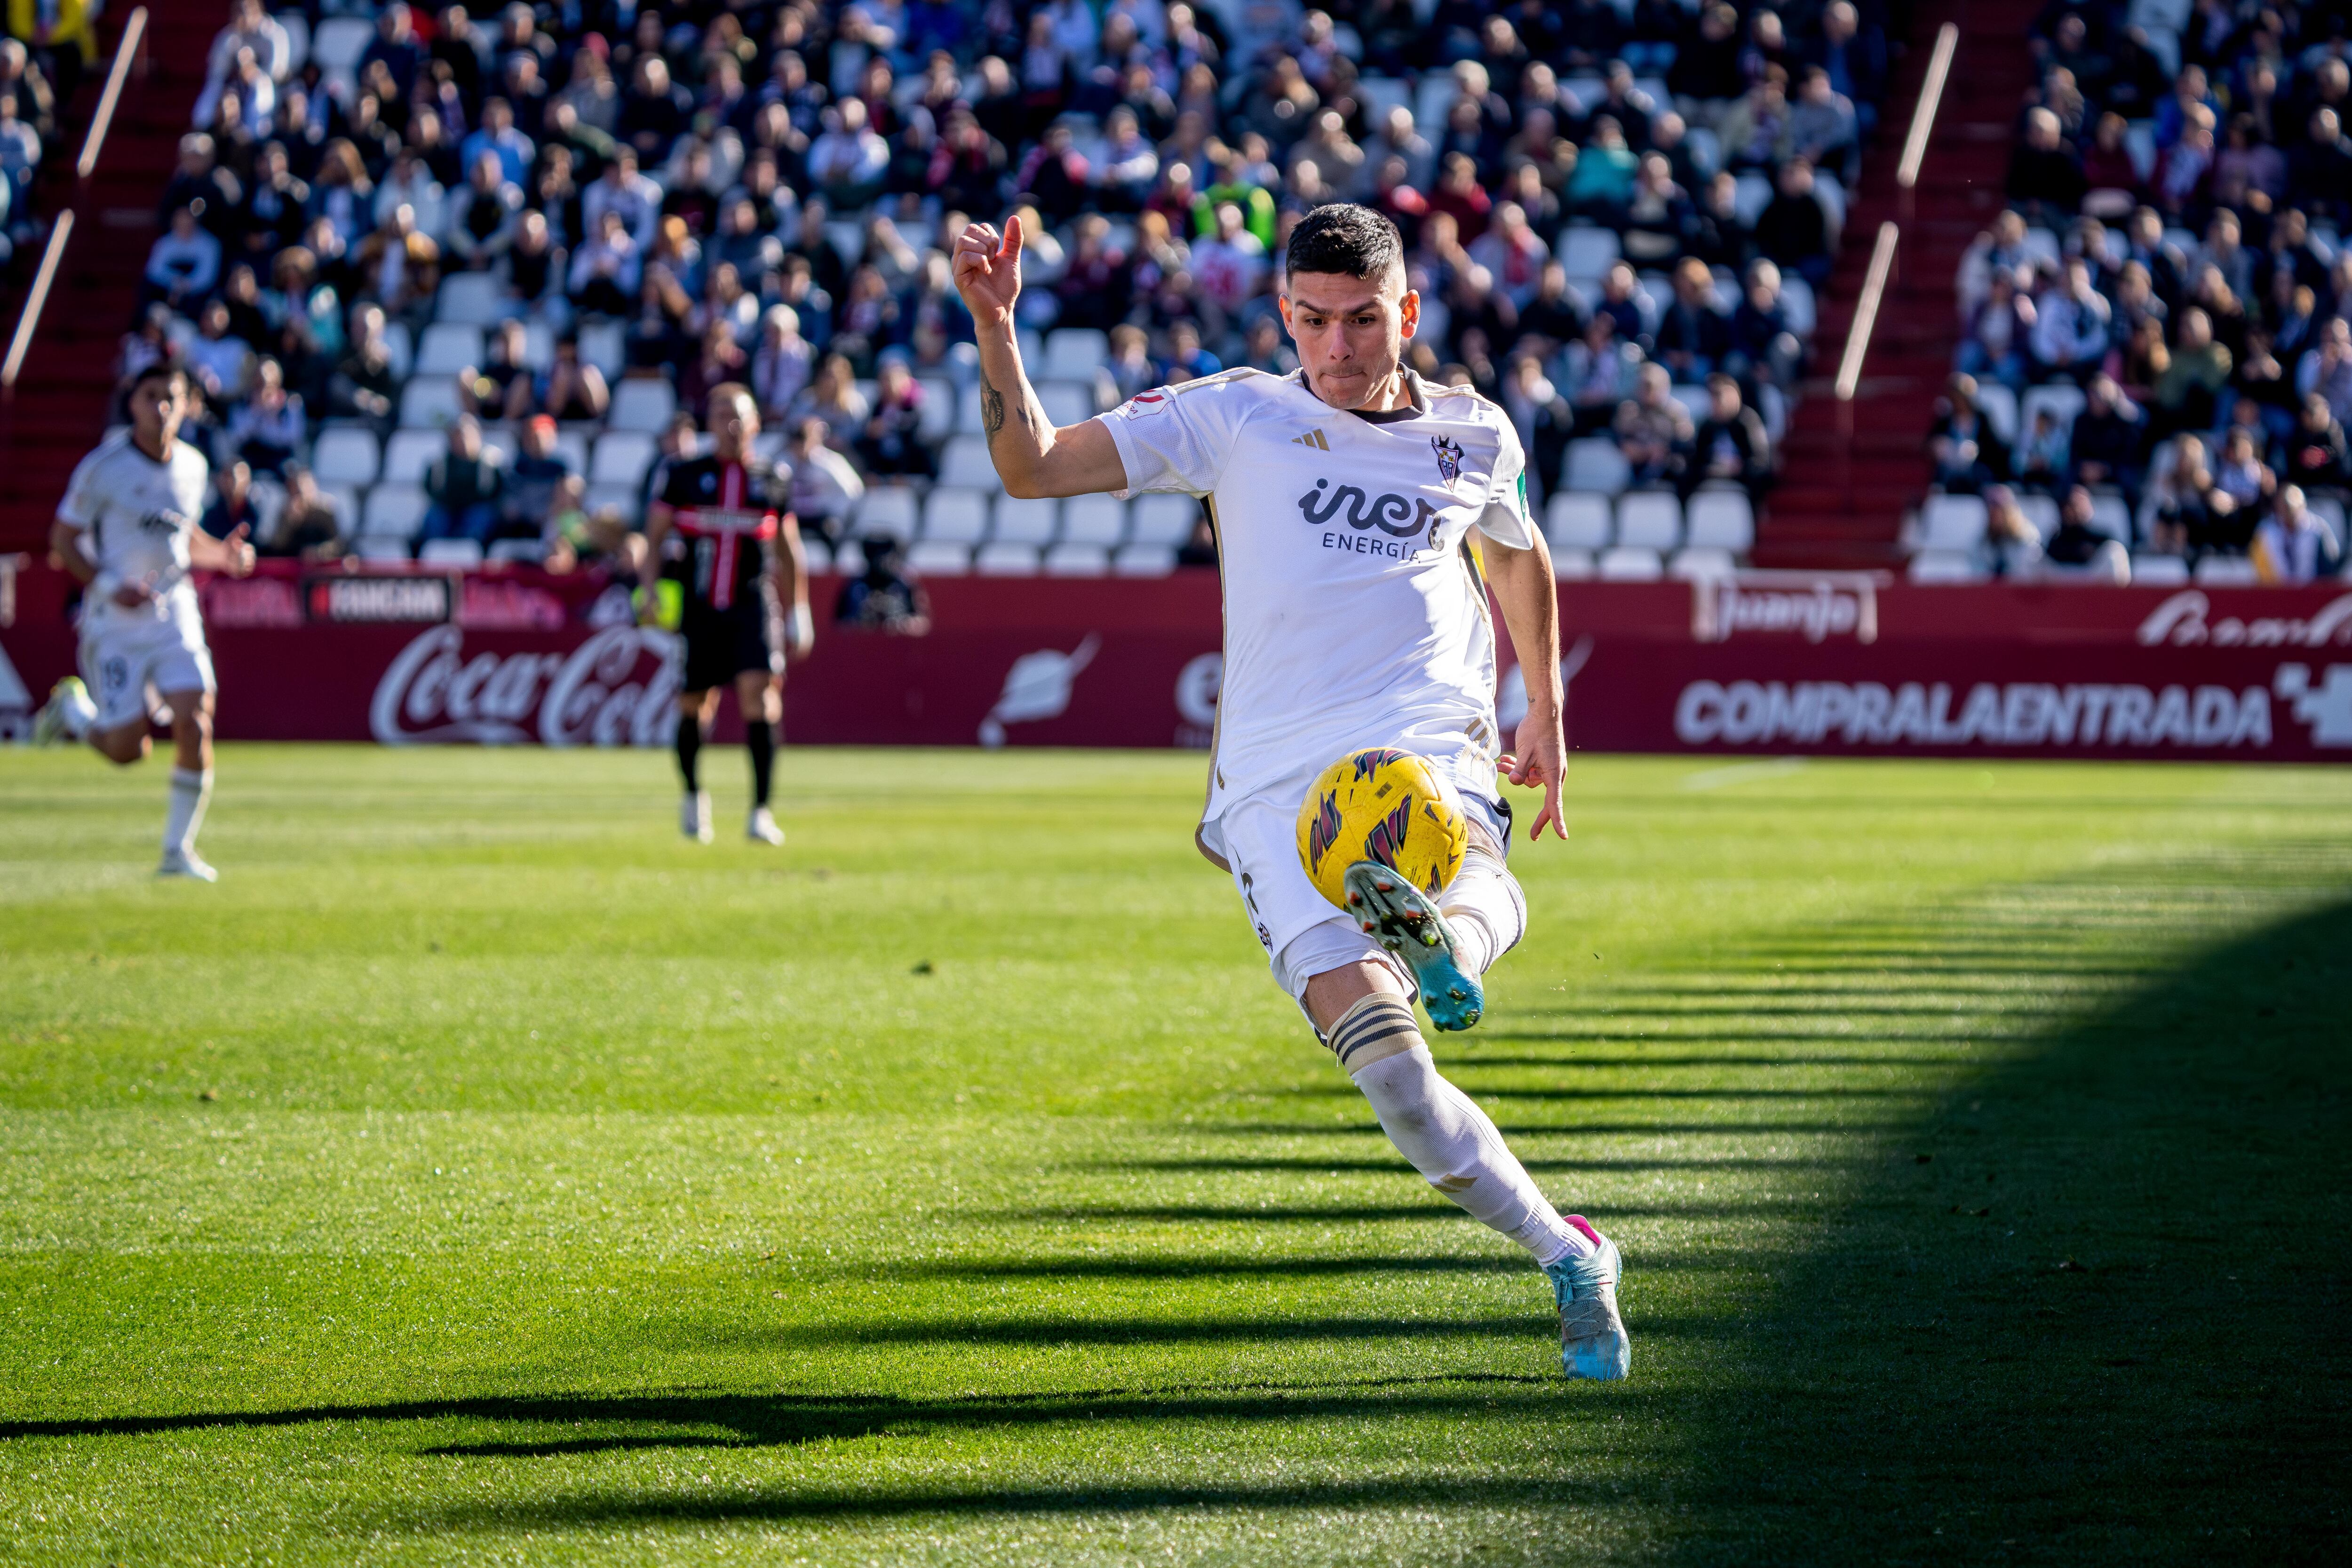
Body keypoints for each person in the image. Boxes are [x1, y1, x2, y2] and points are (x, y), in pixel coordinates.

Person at [950, 200, 1629, 1381]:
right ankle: (1567, 1251)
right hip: (1276, 786)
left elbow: (1514, 549)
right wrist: (997, 329)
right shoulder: (1235, 417)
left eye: (1363, 321)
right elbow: (1029, 468)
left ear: (1406, 313)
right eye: (1312, 322)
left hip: (1426, 737)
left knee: (1464, 870)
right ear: (1283, 317)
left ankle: (1452, 952)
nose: (1337, 348)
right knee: (1398, 1078)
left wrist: (1546, 708)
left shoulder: (1474, 435)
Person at [30, 362, 256, 880]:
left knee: (196, 717)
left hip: (174, 611)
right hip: (115, 623)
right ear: (132, 403)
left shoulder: (195, 466)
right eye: (150, 396)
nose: (161, 408)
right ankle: (74, 712)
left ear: (186, 405)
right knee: (126, 751)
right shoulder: (104, 468)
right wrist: (112, 586)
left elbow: (183, 536)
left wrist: (224, 558)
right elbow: (62, 540)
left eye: (170, 397)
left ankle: (178, 852)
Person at [644, 384, 815, 847]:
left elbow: (789, 549)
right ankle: (693, 796)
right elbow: (655, 536)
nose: (731, 424)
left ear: (756, 423)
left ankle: (760, 811)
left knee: (759, 696)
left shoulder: (771, 479)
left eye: (739, 415)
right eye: (721, 415)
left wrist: (800, 610)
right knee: (695, 703)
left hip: (752, 603)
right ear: (709, 423)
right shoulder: (683, 475)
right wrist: (649, 589)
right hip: (700, 606)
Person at [833, 534, 931, 633]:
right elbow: (841, 625)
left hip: (900, 645)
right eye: (880, 556)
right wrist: (867, 618)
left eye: (890, 556)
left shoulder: (905, 585)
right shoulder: (855, 588)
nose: (886, 561)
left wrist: (900, 623)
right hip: (864, 645)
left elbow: (923, 622)